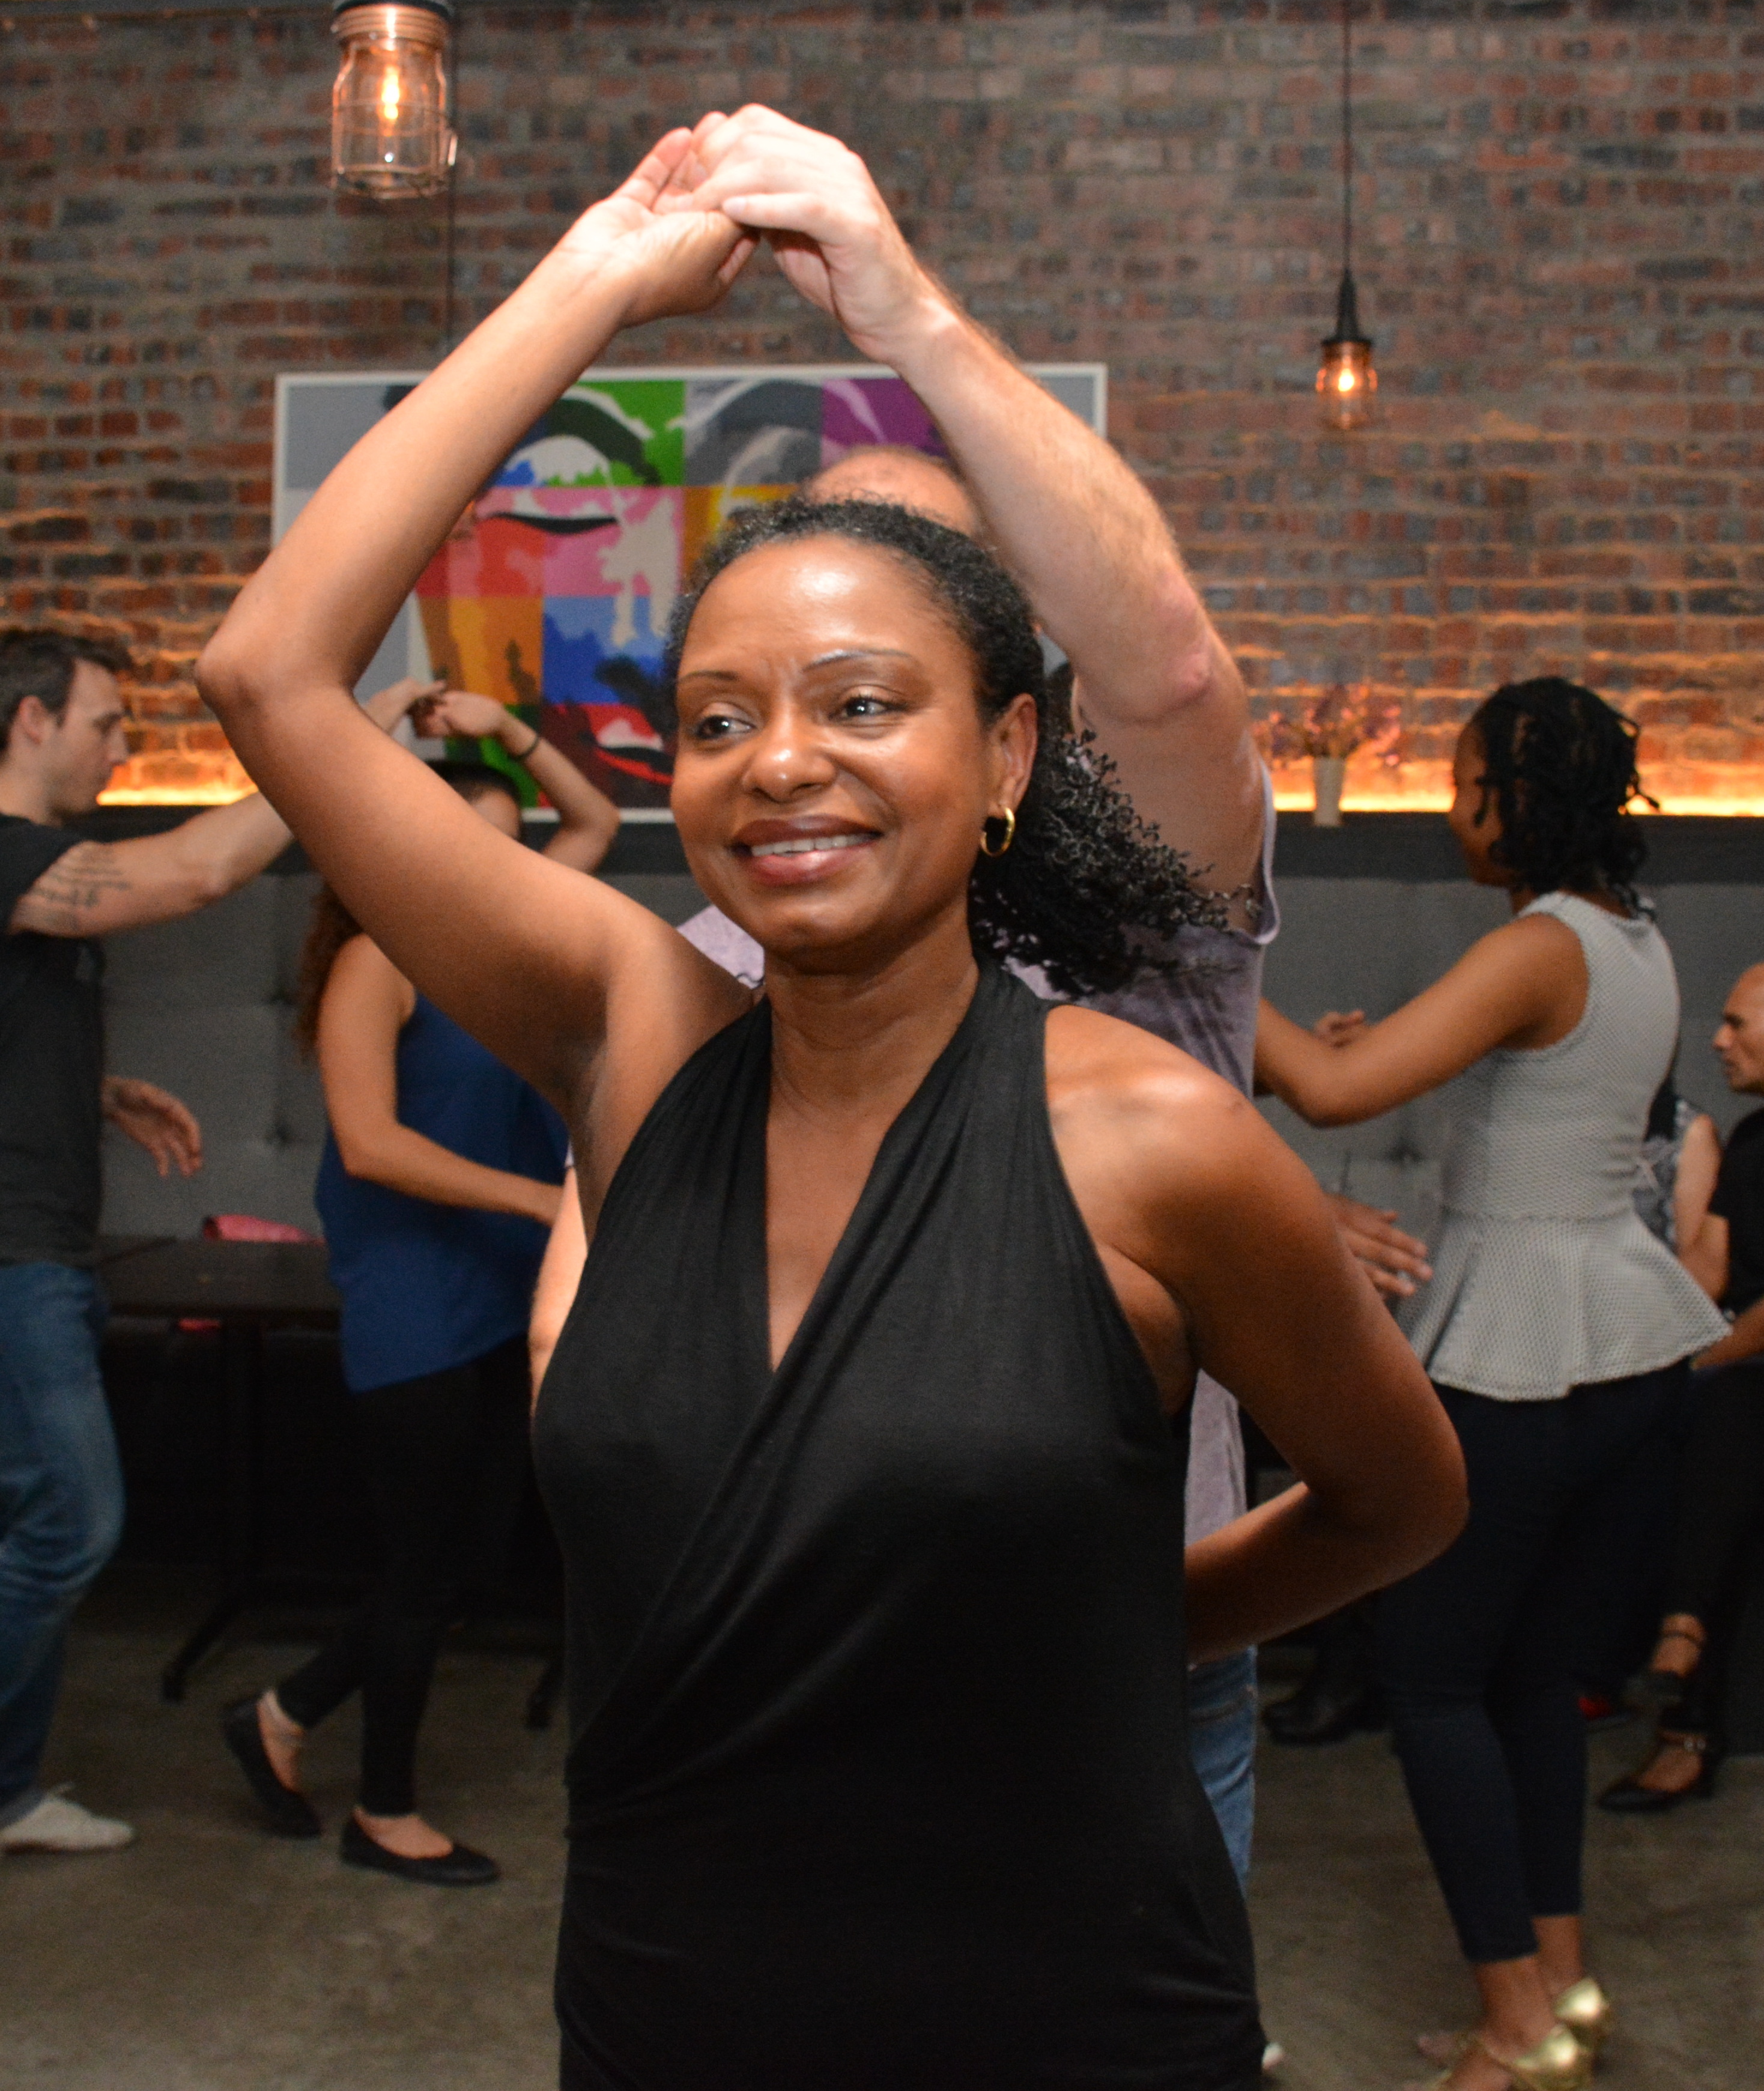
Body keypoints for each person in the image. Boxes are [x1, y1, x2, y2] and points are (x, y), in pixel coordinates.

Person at [195, 125, 1464, 2090]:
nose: (781, 760)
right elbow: (269, 673)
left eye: (863, 699)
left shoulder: (1141, 1106)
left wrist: (1112, 1625)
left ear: (1006, 750)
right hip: (672, 1992)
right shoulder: (640, 1032)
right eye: (721, 716)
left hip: (1054, 1989)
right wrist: (603, 273)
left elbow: (1397, 1496)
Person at [524, 109, 1433, 1920]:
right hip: (760, 1688)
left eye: (895, 653)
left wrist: (900, 305)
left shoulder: (1141, 918)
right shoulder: (707, 960)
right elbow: (580, 1319)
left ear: (1007, 707)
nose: (815, 728)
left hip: (1118, 1706)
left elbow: (1170, 668)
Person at [1256, 678, 1727, 2091]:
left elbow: (1331, 1097)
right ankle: (1561, 1984)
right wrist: (1357, 1045)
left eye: (1465, 783)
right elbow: (1519, 1086)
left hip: (1520, 1360)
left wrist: (1213, 983)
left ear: (1513, 799)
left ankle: (1513, 2025)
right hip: (1625, 1354)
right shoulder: (1629, 936)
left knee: (1430, 1681)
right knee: (1527, 1680)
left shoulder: (1536, 944)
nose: (1454, 811)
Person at [221, 686, 614, 1884]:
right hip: (412, 1297)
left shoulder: (499, 951)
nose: (501, 870)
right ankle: (383, 1810)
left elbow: (595, 824)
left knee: (465, 1561)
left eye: (508, 849)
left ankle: (281, 1714)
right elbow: (371, 1143)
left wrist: (508, 730)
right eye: (473, 846)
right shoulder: (375, 963)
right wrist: (542, 1203)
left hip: (497, 1289)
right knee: (420, 1567)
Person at [0, 627, 350, 1857]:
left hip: (47, 1248)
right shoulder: (11, 853)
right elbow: (199, 872)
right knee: (70, 1524)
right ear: (31, 720)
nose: (120, 747)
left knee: (37, 1521)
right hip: (12, 1264)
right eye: (104, 722)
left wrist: (95, 1090)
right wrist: (322, 747)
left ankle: (9, 1791)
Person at [1599, 964, 1764, 1812]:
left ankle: (1685, 1690)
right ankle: (1616, 1659)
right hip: (1738, 1361)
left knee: (1724, 1410)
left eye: (1738, 1024)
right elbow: (1707, 1270)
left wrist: (1699, 1365)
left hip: (1749, 1369)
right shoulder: (1752, 1139)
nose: (1718, 1040)